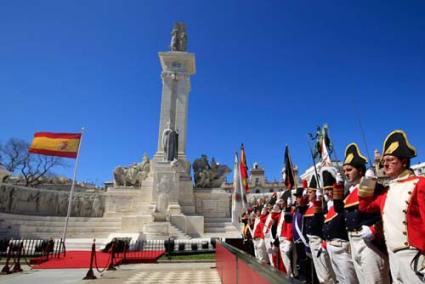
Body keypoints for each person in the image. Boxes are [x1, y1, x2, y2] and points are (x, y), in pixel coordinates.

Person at [358, 130, 425, 283]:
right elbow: (365, 207)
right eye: (384, 161)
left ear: (403, 161)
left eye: (390, 160)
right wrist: (368, 183)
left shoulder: (419, 183)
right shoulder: (387, 192)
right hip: (393, 256)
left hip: (414, 255)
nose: (385, 164)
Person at [335, 143, 389, 284]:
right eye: (344, 170)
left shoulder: (374, 187)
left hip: (369, 242)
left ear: (360, 170)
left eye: (349, 169)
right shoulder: (348, 193)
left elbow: (386, 213)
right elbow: (338, 209)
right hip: (353, 241)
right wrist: (338, 187)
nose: (346, 173)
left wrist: (374, 229)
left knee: (374, 280)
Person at [321, 167, 359, 284]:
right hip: (332, 247)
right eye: (325, 190)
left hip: (343, 248)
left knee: (350, 280)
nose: (327, 192)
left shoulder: (344, 200)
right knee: (340, 280)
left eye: (329, 189)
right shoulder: (329, 206)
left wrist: (339, 187)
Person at [304, 175, 336, 284]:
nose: (307, 194)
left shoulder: (322, 206)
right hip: (312, 242)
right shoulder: (310, 207)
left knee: (326, 274)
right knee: (320, 275)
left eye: (310, 192)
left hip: (320, 241)